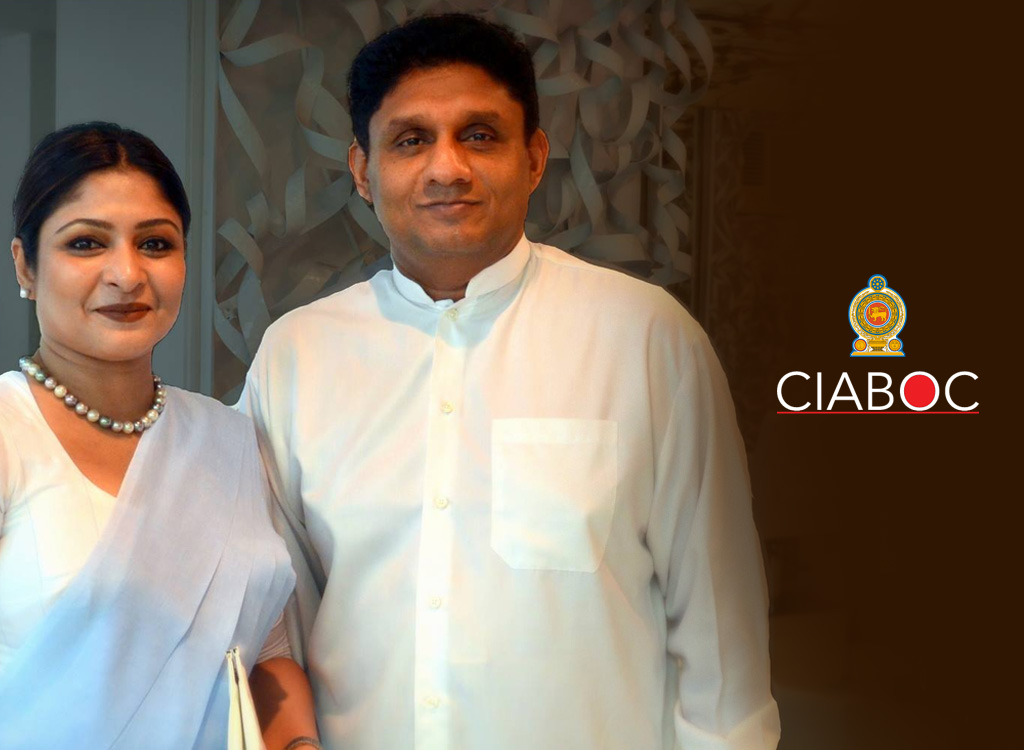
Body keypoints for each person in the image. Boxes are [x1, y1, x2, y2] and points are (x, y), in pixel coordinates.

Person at [242, 13, 780, 750]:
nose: (447, 168)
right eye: (411, 140)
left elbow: (721, 645)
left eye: (479, 135)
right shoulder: (297, 355)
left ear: (533, 158)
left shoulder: (646, 338)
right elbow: (269, 615)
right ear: (363, 171)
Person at [0, 122, 320, 749]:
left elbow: (263, 654)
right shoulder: (11, 432)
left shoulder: (228, 441)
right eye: (86, 243)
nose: (127, 273)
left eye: (154, 243)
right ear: (25, 266)